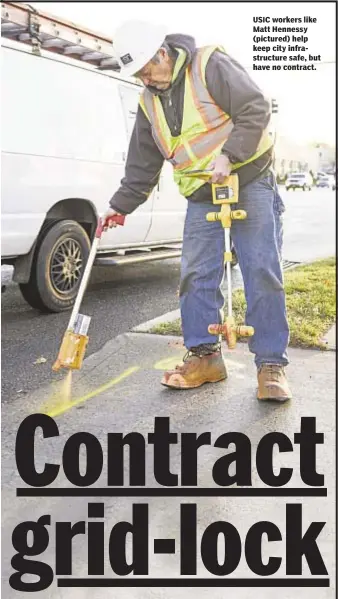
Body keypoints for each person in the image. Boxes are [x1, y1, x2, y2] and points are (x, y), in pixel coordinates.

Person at [104, 20, 292, 402]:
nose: (145, 79)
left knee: (262, 270)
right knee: (194, 275)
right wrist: (120, 206)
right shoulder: (148, 100)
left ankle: (271, 365)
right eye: (137, 75)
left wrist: (230, 154)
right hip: (201, 193)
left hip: (249, 178)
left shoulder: (209, 65)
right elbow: (143, 163)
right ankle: (205, 358)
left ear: (162, 53)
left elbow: (255, 107)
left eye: (146, 69)